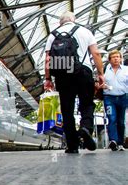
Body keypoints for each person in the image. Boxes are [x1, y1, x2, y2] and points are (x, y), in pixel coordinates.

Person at [44, 11, 105, 154]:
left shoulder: (53, 35)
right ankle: (85, 127)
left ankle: (72, 145)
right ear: (74, 20)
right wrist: (101, 74)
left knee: (67, 109)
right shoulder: (85, 31)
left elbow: (47, 59)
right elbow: (95, 53)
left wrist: (48, 79)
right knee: (87, 103)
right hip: (83, 71)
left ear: (61, 22)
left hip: (63, 73)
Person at [100, 50, 127, 151]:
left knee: (121, 121)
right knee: (112, 118)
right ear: (109, 60)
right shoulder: (104, 71)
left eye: (118, 57)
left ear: (120, 58)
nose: (116, 58)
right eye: (113, 57)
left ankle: (120, 142)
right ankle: (113, 140)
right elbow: (99, 83)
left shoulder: (126, 70)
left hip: (123, 97)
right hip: (109, 98)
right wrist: (101, 85)